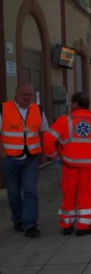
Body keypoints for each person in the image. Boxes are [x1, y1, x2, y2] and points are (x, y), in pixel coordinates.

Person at [43, 93, 91, 236]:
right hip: (88, 168)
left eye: (72, 103)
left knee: (69, 194)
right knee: (85, 195)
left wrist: (54, 156)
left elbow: (47, 139)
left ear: (75, 104)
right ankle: (83, 226)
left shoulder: (65, 120)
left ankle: (66, 225)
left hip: (69, 165)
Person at [0, 83, 49, 237]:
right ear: (16, 94)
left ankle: (30, 225)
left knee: (30, 191)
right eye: (24, 94)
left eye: (30, 95)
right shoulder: (4, 109)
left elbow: (43, 132)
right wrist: (2, 153)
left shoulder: (37, 109)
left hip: (31, 158)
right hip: (10, 157)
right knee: (14, 193)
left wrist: (43, 152)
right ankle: (18, 219)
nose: (27, 98)